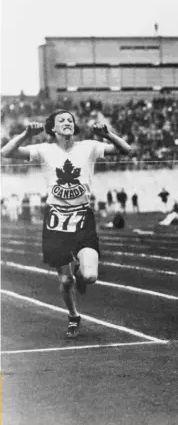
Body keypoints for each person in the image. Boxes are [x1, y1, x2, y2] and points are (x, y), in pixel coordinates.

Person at [1, 109, 131, 337]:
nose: (67, 123)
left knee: (89, 276)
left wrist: (108, 135)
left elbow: (126, 150)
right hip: (55, 221)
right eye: (62, 120)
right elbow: (6, 152)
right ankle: (73, 316)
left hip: (82, 217)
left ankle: (82, 273)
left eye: (70, 120)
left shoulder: (88, 147)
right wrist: (25, 135)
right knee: (65, 279)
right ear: (52, 128)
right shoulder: (44, 150)